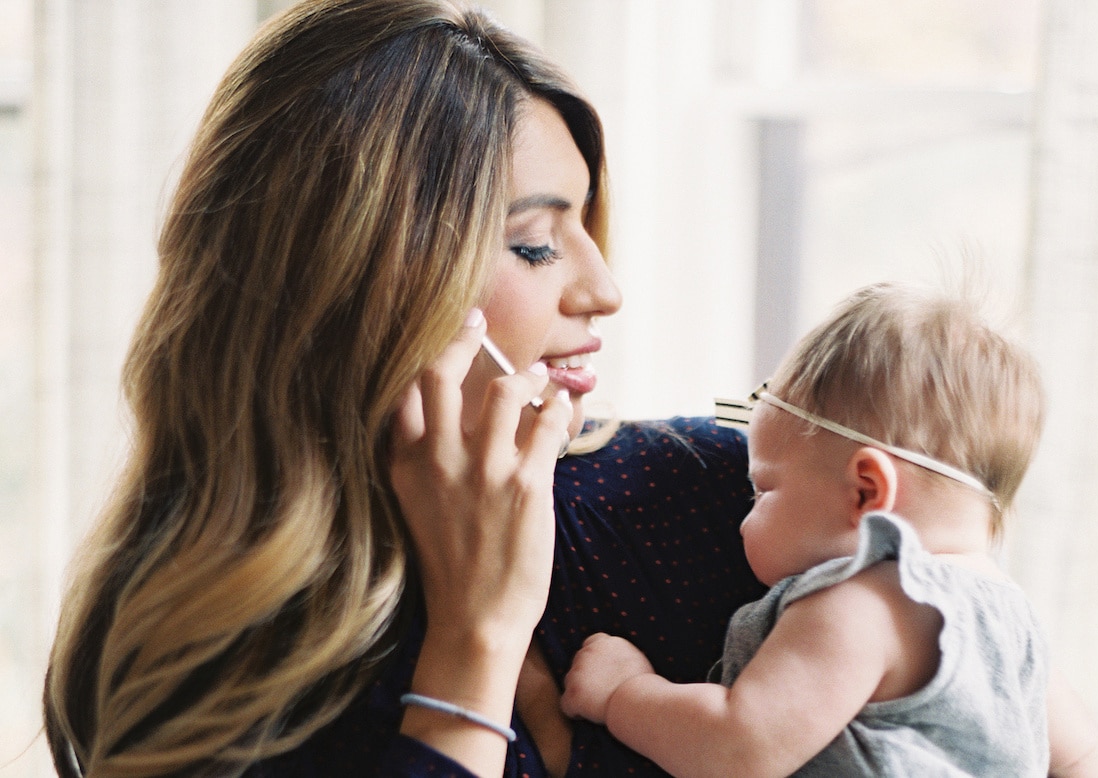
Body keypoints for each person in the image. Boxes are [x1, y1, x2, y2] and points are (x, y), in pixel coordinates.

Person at [42, 2, 764, 776]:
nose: (603, 288)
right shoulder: (197, 653)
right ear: (354, 280)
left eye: (586, 224)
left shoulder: (714, 495)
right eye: (534, 246)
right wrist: (473, 644)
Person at [561, 283, 1098, 777]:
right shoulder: (1013, 621)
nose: (743, 511)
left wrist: (623, 695)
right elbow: (1085, 759)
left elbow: (739, 750)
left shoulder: (860, 606)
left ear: (865, 493)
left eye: (764, 490)